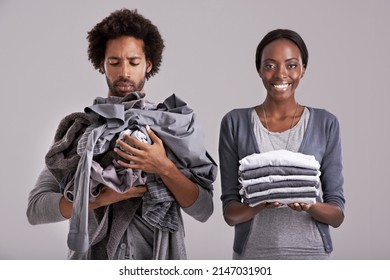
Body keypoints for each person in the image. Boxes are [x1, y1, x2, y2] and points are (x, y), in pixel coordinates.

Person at [27, 8, 217, 260]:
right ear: (102, 65)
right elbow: (36, 208)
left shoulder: (171, 128)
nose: (124, 71)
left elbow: (204, 209)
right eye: (114, 62)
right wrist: (95, 200)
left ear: (148, 64)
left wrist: (162, 166)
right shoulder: (84, 131)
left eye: (133, 62)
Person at [218, 29, 345, 259]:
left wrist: (310, 205)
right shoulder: (234, 123)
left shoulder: (326, 124)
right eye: (270, 65)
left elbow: (337, 214)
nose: (281, 74)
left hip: (313, 257)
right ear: (259, 70)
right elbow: (230, 213)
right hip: (253, 257)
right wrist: (260, 203)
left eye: (291, 65)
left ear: (303, 69)